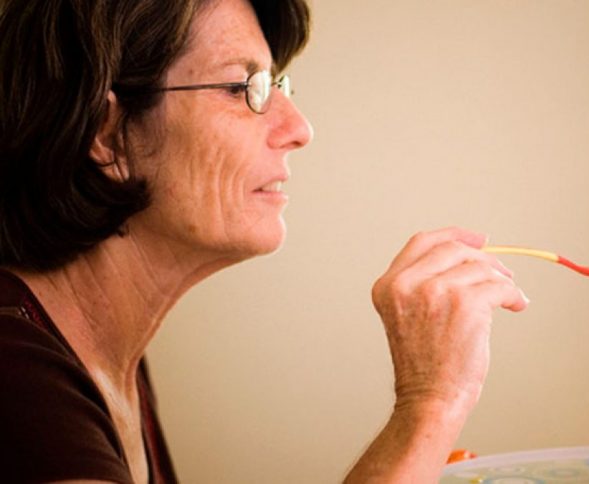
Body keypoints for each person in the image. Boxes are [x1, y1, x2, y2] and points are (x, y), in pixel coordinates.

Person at [0, 0, 529, 482]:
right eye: (243, 88)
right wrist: (429, 403)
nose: (298, 127)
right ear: (108, 135)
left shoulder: (114, 366)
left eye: (277, 84)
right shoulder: (15, 378)